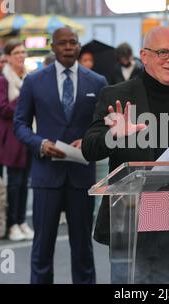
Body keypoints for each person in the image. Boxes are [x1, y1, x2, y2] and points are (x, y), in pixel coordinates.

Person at [81, 26, 169, 284]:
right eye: (163, 52)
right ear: (144, 56)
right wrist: (115, 135)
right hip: (132, 213)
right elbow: (89, 148)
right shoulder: (117, 95)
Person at [14, 27, 108, 284]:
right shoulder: (34, 81)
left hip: (81, 177)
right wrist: (40, 143)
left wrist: (89, 140)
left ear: (79, 46)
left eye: (73, 42)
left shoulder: (97, 82)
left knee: (83, 252)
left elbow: (107, 124)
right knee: (42, 250)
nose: (68, 47)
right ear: (53, 47)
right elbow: (20, 124)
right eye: (62, 43)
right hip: (47, 176)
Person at [0, 40, 32, 241]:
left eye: (23, 52)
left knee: (25, 182)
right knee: (14, 183)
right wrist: (24, 96)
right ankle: (12, 224)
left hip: (28, 136)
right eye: (16, 52)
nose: (21, 56)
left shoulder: (27, 77)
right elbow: (3, 109)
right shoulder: (2, 80)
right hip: (11, 138)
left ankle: (22, 220)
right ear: (8, 56)